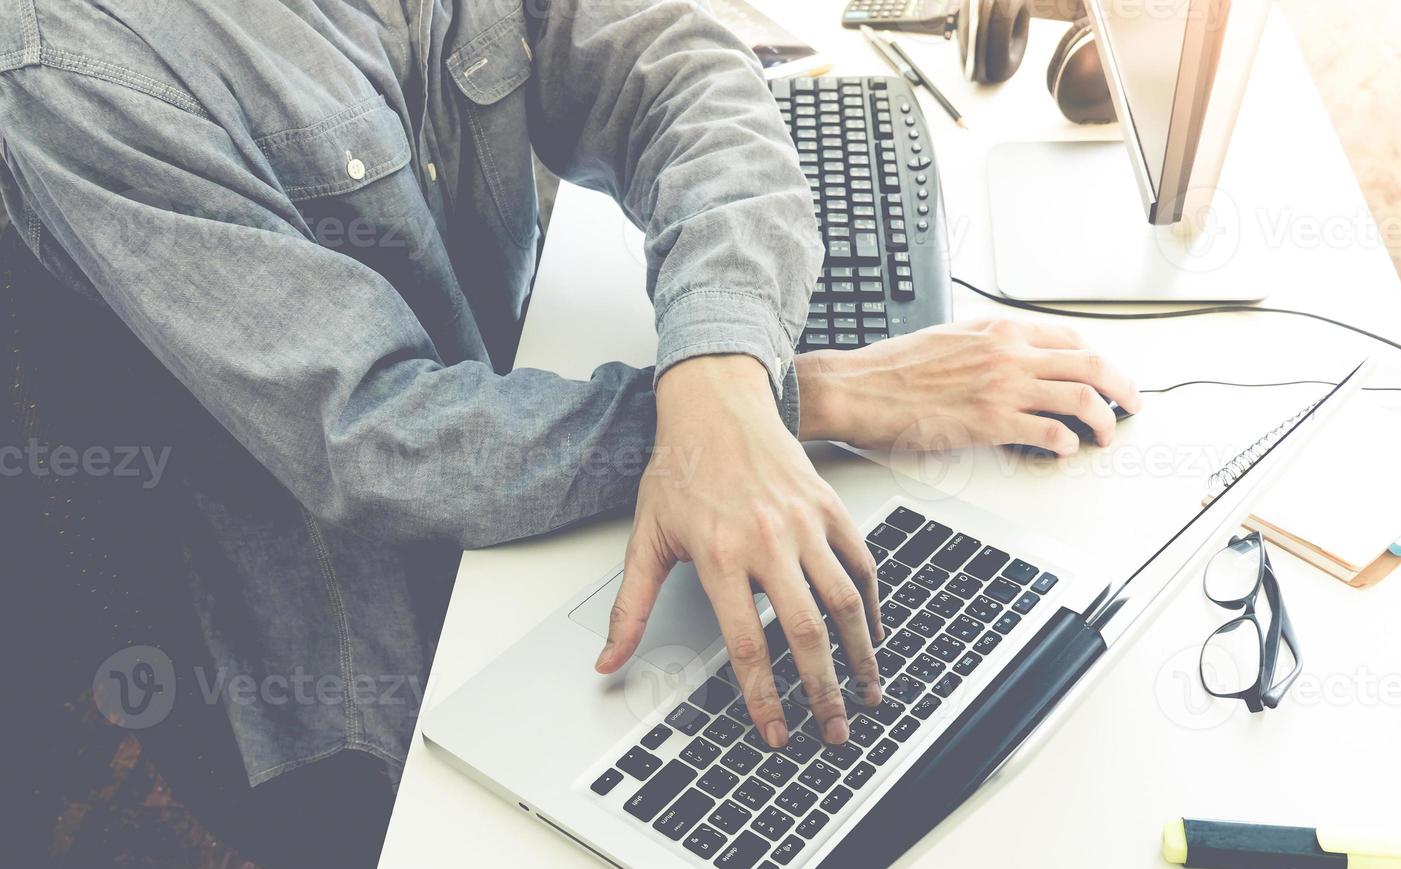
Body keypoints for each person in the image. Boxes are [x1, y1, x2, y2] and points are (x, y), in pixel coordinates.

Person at [0, 0, 1138, 783]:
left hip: (536, 460)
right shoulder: (69, 69)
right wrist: (808, 398)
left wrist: (723, 374)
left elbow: (678, 70)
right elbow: (377, 432)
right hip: (357, 644)